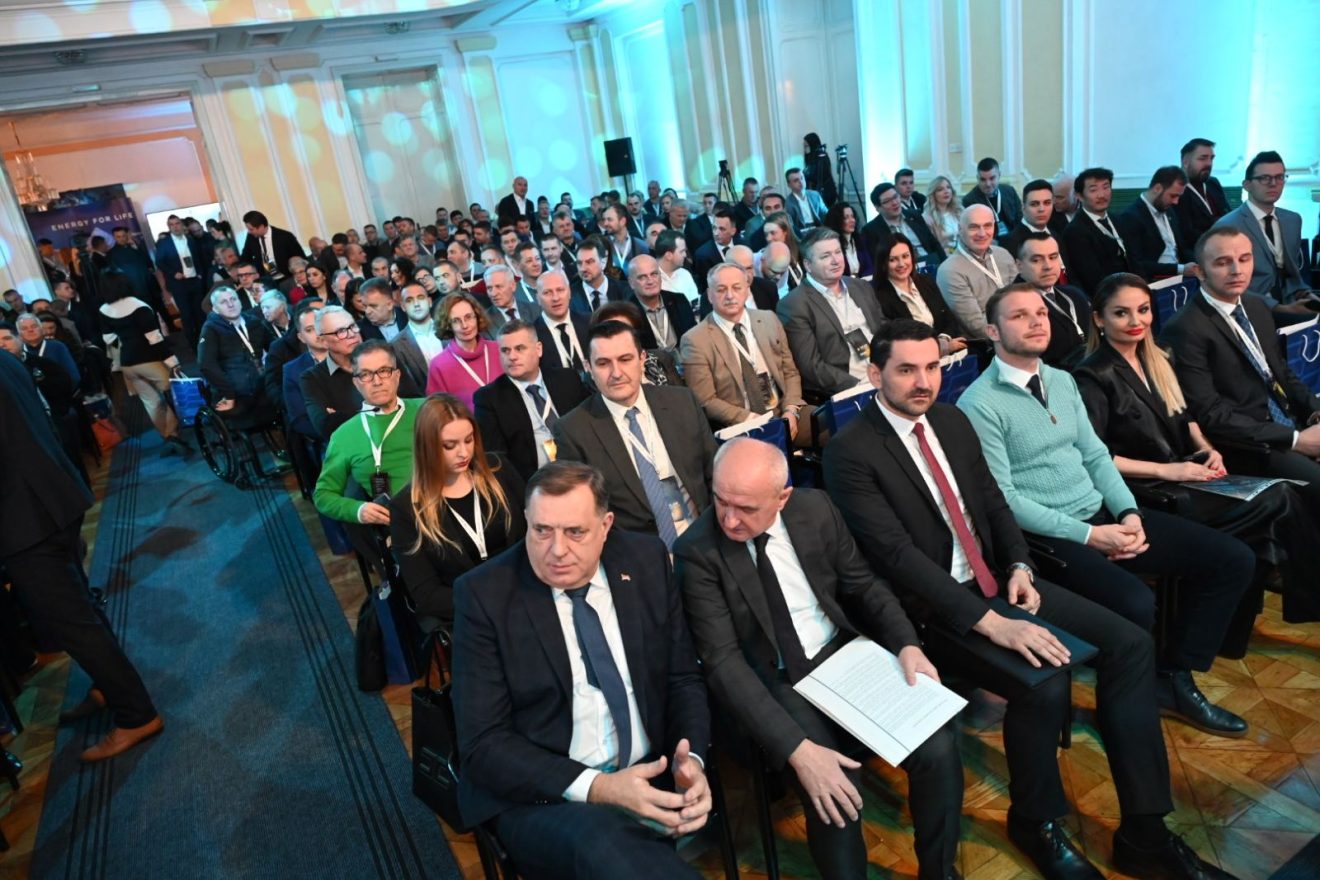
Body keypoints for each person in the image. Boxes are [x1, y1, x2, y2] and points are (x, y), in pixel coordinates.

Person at [823, 319, 1244, 880]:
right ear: (876, 375)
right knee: (1045, 680)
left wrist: (1020, 564)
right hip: (933, 609)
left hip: (999, 581)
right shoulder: (850, 450)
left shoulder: (949, 420)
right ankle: (1035, 821)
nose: (923, 381)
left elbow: (994, 504)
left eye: (931, 367)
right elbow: (897, 557)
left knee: (1131, 645)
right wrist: (991, 622)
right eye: (906, 370)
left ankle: (1145, 834)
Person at [958, 283, 1256, 737]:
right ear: (993, 331)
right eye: (1019, 316)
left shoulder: (1061, 380)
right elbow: (1005, 501)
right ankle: (1127, 701)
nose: (1036, 322)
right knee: (1135, 602)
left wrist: (1128, 514)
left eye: (1040, 313)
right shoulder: (979, 403)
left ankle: (1171, 675)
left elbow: (1096, 457)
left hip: (1101, 515)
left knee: (1233, 559)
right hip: (1049, 538)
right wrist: (1091, 536)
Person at [675, 438, 962, 880]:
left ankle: (939, 872)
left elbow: (863, 585)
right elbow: (724, 663)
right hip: (777, 679)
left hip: (843, 656)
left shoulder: (816, 510)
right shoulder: (696, 551)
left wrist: (907, 643)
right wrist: (797, 749)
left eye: (746, 508)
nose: (729, 519)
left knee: (939, 748)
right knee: (834, 791)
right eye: (720, 501)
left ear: (783, 497)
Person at [451, 461, 712, 880]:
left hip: (649, 769)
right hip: (545, 795)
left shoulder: (645, 560)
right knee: (607, 848)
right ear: (526, 521)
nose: (556, 550)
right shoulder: (485, 595)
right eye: (542, 530)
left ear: (605, 526)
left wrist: (692, 760)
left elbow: (682, 678)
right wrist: (599, 787)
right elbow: (483, 745)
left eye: (575, 532)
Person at [1076, 273, 1320, 626]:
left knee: (1276, 511)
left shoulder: (1158, 356)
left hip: (1187, 474)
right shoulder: (1092, 375)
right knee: (1278, 502)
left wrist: (1207, 448)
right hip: (1148, 490)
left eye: (1143, 310)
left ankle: (1240, 625)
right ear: (1099, 319)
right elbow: (1096, 458)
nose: (1136, 321)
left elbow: (1186, 415)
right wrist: (1168, 470)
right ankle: (1295, 611)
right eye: (1121, 313)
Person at [0, 351, 163, 762]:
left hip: (24, 521)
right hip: (53, 500)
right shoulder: (4, 357)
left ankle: (136, 714)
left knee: (73, 623)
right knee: (82, 609)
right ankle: (107, 687)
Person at [1160, 227, 1320, 517]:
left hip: (1288, 422)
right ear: (1200, 272)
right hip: (1250, 444)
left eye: (1245, 259)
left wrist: (1314, 413)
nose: (1237, 270)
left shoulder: (1256, 305)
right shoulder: (1185, 329)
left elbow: (1281, 372)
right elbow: (1212, 415)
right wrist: (1297, 440)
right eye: (1223, 263)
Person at [552, 321, 714, 548]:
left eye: (625, 359)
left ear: (642, 359)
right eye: (603, 363)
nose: (616, 373)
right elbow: (582, 513)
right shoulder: (573, 430)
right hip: (636, 555)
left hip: (705, 539)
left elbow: (714, 472)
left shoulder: (682, 402)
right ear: (588, 367)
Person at [389, 394, 525, 631]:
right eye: (449, 446)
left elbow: (535, 532)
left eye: (469, 440)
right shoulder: (406, 508)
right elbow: (427, 595)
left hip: (525, 589)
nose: (464, 453)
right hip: (472, 613)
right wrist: (489, 603)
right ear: (427, 447)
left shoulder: (498, 470)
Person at [680, 263, 804, 434]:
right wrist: (754, 421)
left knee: (831, 424)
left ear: (747, 290)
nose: (730, 296)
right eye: (721, 290)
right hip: (740, 424)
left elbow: (790, 372)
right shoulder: (695, 340)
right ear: (709, 295)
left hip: (782, 412)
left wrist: (790, 410)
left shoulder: (769, 319)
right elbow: (705, 400)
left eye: (736, 288)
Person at [313, 340, 421, 526]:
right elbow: (323, 495)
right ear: (356, 383)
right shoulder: (344, 435)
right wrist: (358, 510)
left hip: (450, 505)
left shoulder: (429, 409)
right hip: (403, 522)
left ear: (397, 375)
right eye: (366, 375)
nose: (377, 381)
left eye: (384, 371)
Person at [778, 227, 886, 402]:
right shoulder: (794, 304)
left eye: (838, 252)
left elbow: (884, 330)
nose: (836, 260)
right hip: (850, 388)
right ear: (808, 265)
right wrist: (859, 386)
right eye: (825, 256)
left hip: (885, 372)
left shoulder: (861, 287)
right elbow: (811, 366)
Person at [474, 320, 590, 482]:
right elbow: (496, 460)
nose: (512, 357)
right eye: (505, 351)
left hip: (583, 472)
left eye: (520, 348)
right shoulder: (489, 398)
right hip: (535, 483)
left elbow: (589, 430)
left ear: (538, 349)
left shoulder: (567, 379)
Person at [96, 274, 189, 454]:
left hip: (127, 364)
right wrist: (172, 361)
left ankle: (167, 436)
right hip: (149, 360)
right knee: (174, 392)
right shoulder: (139, 306)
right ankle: (173, 433)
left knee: (151, 402)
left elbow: (108, 338)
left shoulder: (104, 310)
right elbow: (154, 338)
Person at [1212, 150, 1312, 310]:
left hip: (1290, 303)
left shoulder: (1293, 220)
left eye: (1279, 177)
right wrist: (1278, 309)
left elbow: (1291, 273)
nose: (1273, 183)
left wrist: (1305, 294)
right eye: (1265, 178)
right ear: (1247, 185)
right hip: (1248, 309)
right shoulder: (1227, 226)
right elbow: (1223, 284)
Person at [872, 234, 968, 356]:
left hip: (950, 350)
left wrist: (944, 340)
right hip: (915, 358)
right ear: (883, 263)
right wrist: (941, 347)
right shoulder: (879, 298)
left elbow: (949, 318)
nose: (901, 264)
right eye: (893, 260)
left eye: (905, 256)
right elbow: (901, 341)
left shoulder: (926, 281)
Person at [936, 205, 1017, 339]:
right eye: (974, 227)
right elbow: (976, 325)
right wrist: (1013, 336)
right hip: (989, 343)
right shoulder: (949, 270)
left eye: (987, 226)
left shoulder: (1003, 254)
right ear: (960, 229)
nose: (982, 233)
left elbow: (1020, 296)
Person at [198, 286, 276, 423]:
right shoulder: (211, 329)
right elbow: (206, 364)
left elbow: (275, 348)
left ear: (240, 302)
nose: (230, 304)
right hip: (235, 392)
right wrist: (229, 395)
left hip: (262, 385)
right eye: (224, 302)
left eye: (233, 299)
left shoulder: (253, 322)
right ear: (215, 309)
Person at [1013, 232, 1090, 368]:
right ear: (1019, 266)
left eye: (1053, 257)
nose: (1048, 266)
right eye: (1036, 260)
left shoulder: (1074, 295)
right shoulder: (1013, 306)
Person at [1061, 167, 1136, 295]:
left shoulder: (1118, 220)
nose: (1102, 195)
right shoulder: (1075, 231)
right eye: (1093, 190)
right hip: (1105, 295)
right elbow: (1091, 278)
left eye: (1106, 187)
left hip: (1131, 287)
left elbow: (1134, 260)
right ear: (1079, 196)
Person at [426, 291, 503, 409]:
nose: (465, 326)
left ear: (477, 317)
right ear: (448, 325)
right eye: (456, 321)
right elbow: (439, 412)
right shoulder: (439, 365)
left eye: (468, 317)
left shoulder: (498, 349)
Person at [1116, 166, 1194, 279]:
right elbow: (1138, 264)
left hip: (1180, 276)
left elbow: (1182, 248)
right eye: (1173, 196)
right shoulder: (1131, 217)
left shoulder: (1169, 210)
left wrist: (1199, 263)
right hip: (1155, 280)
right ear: (1157, 188)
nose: (1176, 202)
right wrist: (1180, 269)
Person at [591, 301, 683, 387]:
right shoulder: (595, 376)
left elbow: (681, 394)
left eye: (624, 330)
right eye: (611, 331)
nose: (618, 337)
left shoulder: (661, 358)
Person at [155, 214, 212, 347]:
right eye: (172, 225)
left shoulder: (190, 239)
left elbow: (198, 258)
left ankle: (206, 341)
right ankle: (194, 345)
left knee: (200, 313)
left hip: (195, 281)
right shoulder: (164, 243)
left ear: (181, 225)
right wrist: (173, 273)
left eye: (177, 223)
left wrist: (200, 275)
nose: (175, 227)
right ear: (169, 227)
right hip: (179, 284)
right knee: (187, 316)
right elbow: (159, 262)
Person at [863, 183, 944, 271]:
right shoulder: (871, 230)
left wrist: (945, 266)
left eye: (895, 197)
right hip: (900, 271)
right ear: (877, 208)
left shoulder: (914, 215)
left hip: (930, 265)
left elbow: (934, 244)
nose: (894, 203)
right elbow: (878, 263)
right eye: (887, 201)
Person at [626, 255, 696, 351]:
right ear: (631, 283)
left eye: (654, 274)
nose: (650, 281)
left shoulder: (679, 300)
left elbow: (693, 338)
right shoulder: (626, 313)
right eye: (642, 277)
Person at [1001, 179, 1070, 269]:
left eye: (1047, 203)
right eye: (1034, 204)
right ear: (1023, 207)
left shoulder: (1057, 235)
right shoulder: (1009, 242)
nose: (1041, 209)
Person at [1174, 138, 1230, 246]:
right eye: (1203, 158)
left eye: (1211, 158)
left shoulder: (1213, 183)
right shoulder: (1176, 190)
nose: (1209, 163)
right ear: (1186, 162)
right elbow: (1186, 234)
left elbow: (1228, 214)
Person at [534, 269, 590, 372]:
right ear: (538, 298)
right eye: (547, 293)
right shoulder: (532, 335)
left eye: (560, 290)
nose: (555, 298)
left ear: (569, 292)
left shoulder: (590, 322)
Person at [391, 281, 444, 391]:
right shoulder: (396, 345)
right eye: (409, 300)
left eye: (420, 298)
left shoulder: (450, 330)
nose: (416, 304)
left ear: (430, 301)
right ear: (403, 306)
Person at [961, 157, 1022, 238]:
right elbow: (973, 231)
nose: (988, 184)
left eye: (992, 178)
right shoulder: (969, 201)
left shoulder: (1010, 191)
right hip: (988, 241)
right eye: (983, 180)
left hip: (1015, 238)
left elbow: (1020, 219)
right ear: (977, 178)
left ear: (999, 175)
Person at [239, 210, 306, 284]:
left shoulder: (285, 237)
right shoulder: (251, 237)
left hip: (287, 279)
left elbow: (300, 258)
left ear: (261, 226)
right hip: (265, 280)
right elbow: (245, 257)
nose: (249, 232)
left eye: (251, 229)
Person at [570, 236, 629, 314]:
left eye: (589, 262)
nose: (583, 269)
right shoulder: (569, 296)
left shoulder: (625, 291)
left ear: (603, 263)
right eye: (579, 263)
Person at [823, 201, 872, 278]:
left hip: (863, 282)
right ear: (837, 221)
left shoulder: (861, 240)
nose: (852, 220)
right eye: (846, 217)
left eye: (852, 216)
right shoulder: (831, 244)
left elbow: (869, 266)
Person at [358, 278, 408, 343]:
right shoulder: (359, 329)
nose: (367, 311)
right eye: (365, 306)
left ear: (389, 304)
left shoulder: (408, 316)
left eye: (373, 306)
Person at [653, 230, 698, 303]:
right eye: (682, 251)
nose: (685, 255)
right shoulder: (651, 279)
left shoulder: (685, 273)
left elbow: (695, 302)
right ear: (668, 255)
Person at [784, 167, 828, 236]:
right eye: (796, 180)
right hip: (801, 232)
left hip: (818, 227)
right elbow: (791, 225)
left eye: (802, 178)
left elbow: (825, 213)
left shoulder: (815, 195)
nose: (800, 182)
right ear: (789, 185)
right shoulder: (788, 202)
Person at [923, 176, 961, 255]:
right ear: (933, 194)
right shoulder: (928, 218)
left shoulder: (960, 212)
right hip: (944, 257)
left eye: (948, 187)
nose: (946, 191)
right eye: (940, 189)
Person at [801, 132, 838, 206]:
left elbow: (818, 175)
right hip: (815, 192)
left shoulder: (821, 157)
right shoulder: (810, 158)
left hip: (825, 193)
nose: (805, 149)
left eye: (807, 146)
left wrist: (805, 174)